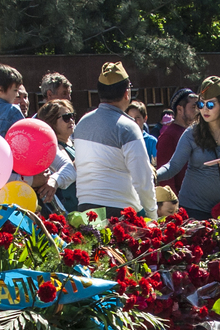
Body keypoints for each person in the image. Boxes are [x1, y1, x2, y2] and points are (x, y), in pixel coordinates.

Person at [155, 77, 220, 219]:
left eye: (211, 105)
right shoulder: (192, 132)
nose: (204, 109)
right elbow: (173, 166)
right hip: (193, 209)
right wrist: (153, 175)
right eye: (201, 104)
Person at [72, 62, 156, 218]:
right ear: (126, 93)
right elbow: (142, 177)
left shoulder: (82, 123)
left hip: (86, 210)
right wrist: (152, 213)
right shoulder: (128, 127)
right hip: (119, 212)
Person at [30, 100, 79, 210]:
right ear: (51, 122)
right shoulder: (51, 148)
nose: (71, 120)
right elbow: (70, 168)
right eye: (66, 117)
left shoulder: (74, 142)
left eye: (72, 116)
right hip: (68, 206)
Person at [155, 88, 197, 194]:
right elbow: (166, 180)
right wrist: (174, 206)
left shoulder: (196, 132)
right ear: (179, 109)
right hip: (182, 201)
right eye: (193, 107)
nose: (197, 111)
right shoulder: (168, 136)